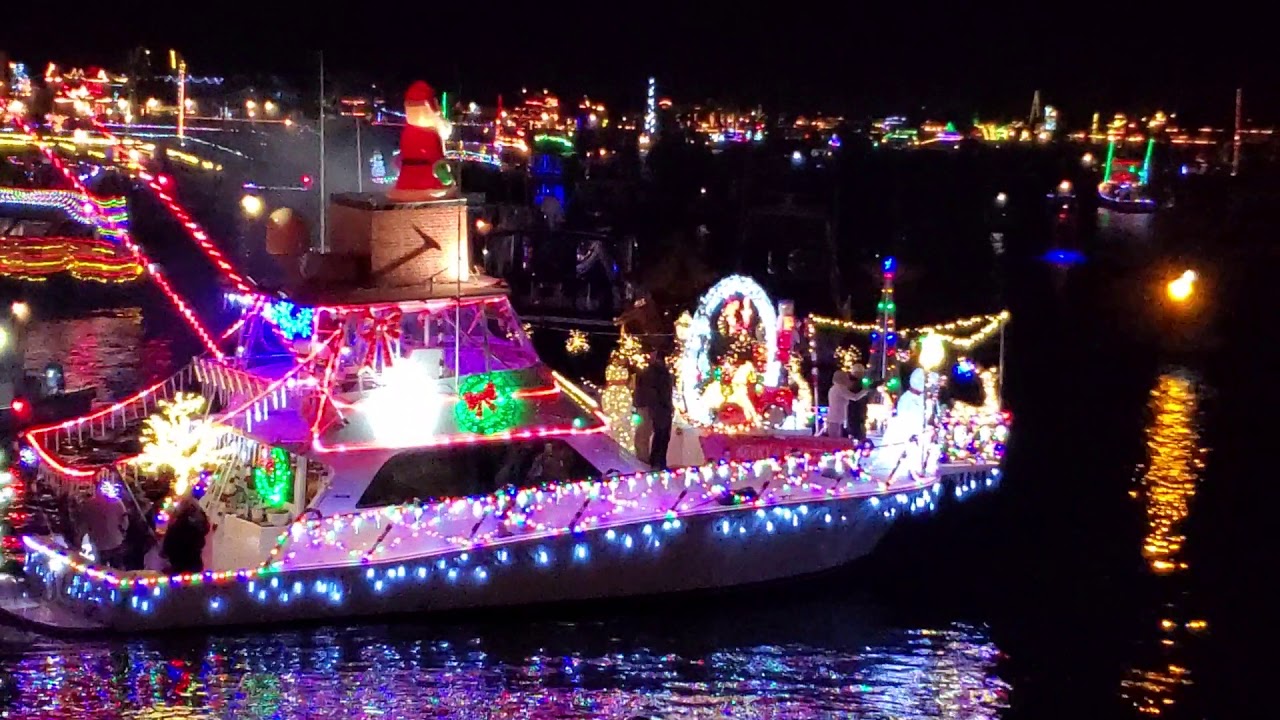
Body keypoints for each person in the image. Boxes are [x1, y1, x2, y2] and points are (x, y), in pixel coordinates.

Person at [80, 479, 128, 568]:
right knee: (117, 567)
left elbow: (85, 522)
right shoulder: (117, 502)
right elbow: (124, 520)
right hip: (115, 540)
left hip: (98, 541)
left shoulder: (89, 504)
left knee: (101, 568)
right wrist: (123, 531)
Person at [162, 496, 209, 574]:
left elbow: (167, 546)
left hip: (178, 565)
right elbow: (201, 542)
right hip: (195, 564)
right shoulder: (199, 525)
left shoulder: (177, 525)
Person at [645, 348, 675, 469]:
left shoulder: (661, 372)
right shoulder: (656, 372)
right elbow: (658, 392)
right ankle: (657, 462)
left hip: (663, 407)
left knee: (662, 436)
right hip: (661, 408)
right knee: (661, 436)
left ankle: (659, 461)